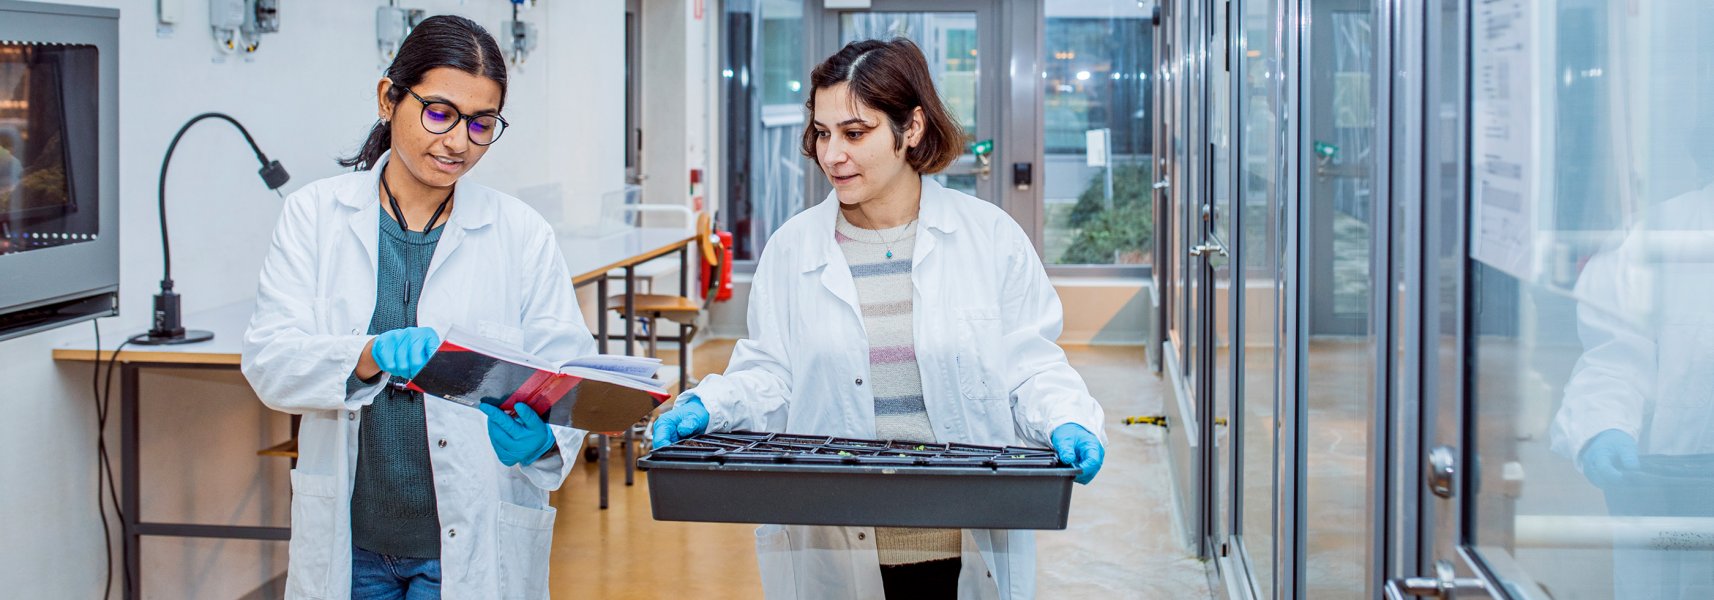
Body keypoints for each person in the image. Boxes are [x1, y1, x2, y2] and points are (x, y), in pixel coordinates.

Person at [651, 38, 1107, 600]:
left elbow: (1030, 368)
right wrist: (711, 404)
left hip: (959, 543)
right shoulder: (793, 249)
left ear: (910, 128)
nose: (832, 154)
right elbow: (773, 375)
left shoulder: (988, 239)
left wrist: (1067, 418)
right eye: (822, 132)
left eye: (855, 132)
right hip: (834, 542)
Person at [241, 15, 591, 599]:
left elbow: (566, 369)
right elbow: (269, 362)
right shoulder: (314, 216)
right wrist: (365, 355)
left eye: (481, 124)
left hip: (469, 540)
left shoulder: (520, 233)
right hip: (353, 546)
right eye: (439, 113)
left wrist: (545, 439)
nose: (457, 142)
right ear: (389, 98)